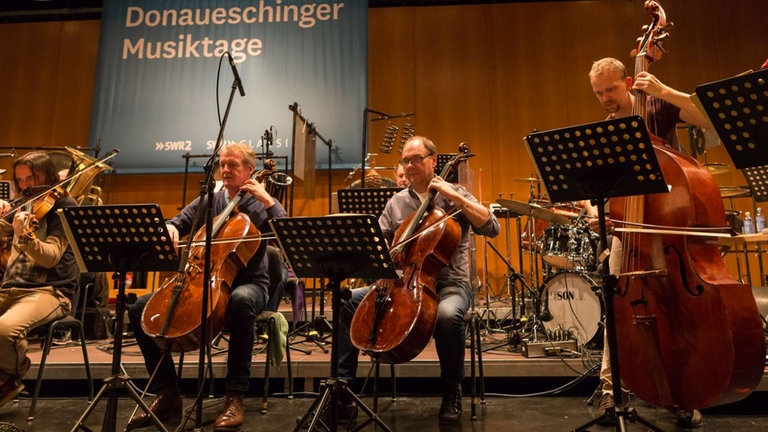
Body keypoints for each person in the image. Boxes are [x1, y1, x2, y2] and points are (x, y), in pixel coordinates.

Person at [337, 136, 500, 424]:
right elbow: (379, 242)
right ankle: (343, 391)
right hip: (404, 282)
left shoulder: (456, 194)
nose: (410, 165)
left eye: (416, 159)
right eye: (405, 161)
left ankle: (451, 390)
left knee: (447, 315)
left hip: (451, 284)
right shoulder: (397, 202)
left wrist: (455, 195)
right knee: (348, 302)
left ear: (433, 161)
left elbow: (492, 226)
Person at [126, 143, 286, 431]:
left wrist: (266, 199)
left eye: (233, 165)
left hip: (250, 284)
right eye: (222, 164)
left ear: (250, 170)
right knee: (139, 309)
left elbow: (285, 230)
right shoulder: (212, 199)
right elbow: (179, 221)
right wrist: (171, 227)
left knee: (240, 300)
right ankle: (167, 393)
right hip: (202, 280)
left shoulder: (258, 204)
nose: (225, 170)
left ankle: (234, 396)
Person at [586, 57, 708, 428]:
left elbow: (706, 119)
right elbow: (602, 185)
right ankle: (612, 389)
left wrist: (663, 90)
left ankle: (683, 393)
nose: (605, 98)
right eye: (598, 93)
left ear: (627, 83)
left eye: (610, 89)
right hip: (629, 228)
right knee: (617, 306)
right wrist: (600, 210)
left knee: (677, 310)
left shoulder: (656, 106)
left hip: (668, 224)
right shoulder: (608, 129)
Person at [0, 151, 79, 408]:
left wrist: (25, 237)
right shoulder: (23, 203)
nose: (25, 186)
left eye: (30, 179)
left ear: (47, 175)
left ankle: (11, 375)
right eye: (20, 180)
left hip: (49, 291)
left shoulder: (64, 206)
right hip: (11, 287)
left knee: (4, 330)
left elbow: (51, 257)